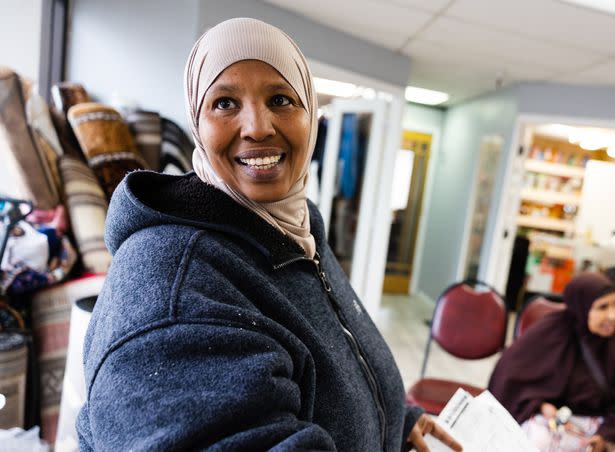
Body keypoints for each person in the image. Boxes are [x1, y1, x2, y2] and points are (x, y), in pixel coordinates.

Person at [76, 18, 461, 452]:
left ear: (309, 116)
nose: (257, 127)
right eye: (224, 103)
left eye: (280, 98)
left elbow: (338, 368)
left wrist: (395, 421)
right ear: (197, 125)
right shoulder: (171, 286)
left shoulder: (298, 230)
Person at [488, 272, 615, 451]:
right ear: (582, 307)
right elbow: (511, 378)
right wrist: (541, 405)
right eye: (603, 307)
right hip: (556, 422)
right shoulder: (551, 332)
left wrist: (607, 435)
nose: (613, 315)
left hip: (608, 426)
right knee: (531, 441)